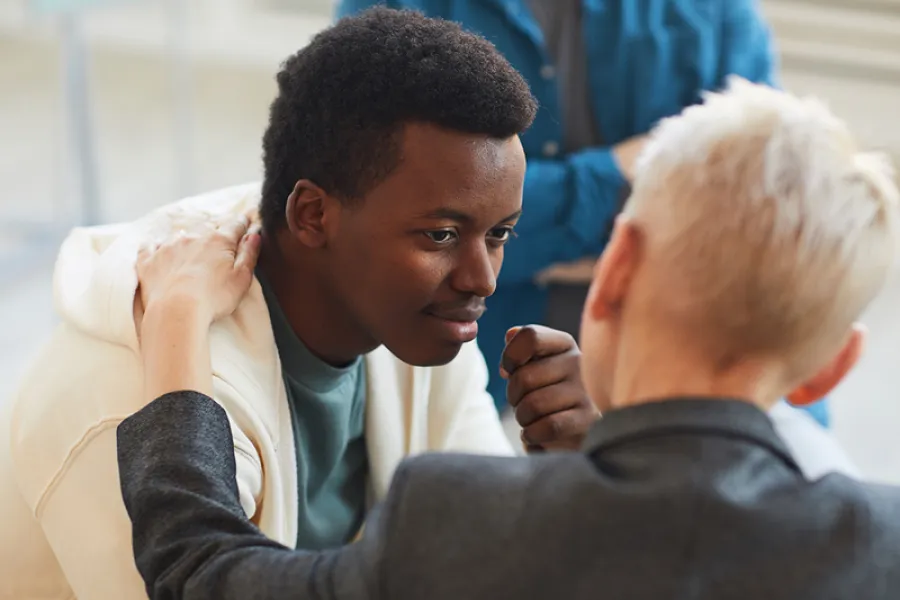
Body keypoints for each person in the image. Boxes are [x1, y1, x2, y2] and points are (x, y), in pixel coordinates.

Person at [116, 79, 900, 600]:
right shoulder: (880, 547)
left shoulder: (458, 518)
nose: (481, 278)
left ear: (617, 264)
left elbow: (202, 574)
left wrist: (180, 320)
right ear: (832, 368)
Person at [0, 10, 601, 599]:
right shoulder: (132, 409)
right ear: (312, 215)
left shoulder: (407, 320)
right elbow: (191, 569)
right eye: (441, 235)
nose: (483, 280)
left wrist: (571, 474)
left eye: (499, 234)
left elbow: (489, 560)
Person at [336, 0, 831, 426]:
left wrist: (499, 233)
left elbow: (759, 219)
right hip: (457, 385)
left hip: (690, 382)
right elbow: (386, 212)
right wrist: (617, 175)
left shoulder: (715, 12)